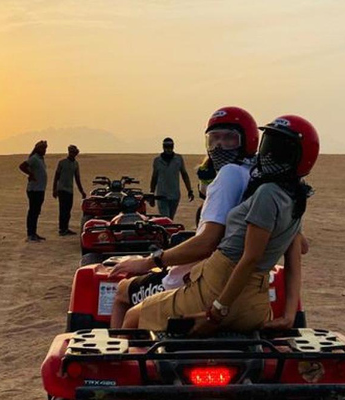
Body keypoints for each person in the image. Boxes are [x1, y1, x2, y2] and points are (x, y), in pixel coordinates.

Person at [121, 115, 319, 335]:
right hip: (255, 302)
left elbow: (248, 258)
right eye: (269, 145)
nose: (269, 154)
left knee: (133, 317)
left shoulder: (266, 192)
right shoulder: (296, 196)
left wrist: (217, 310)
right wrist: (290, 315)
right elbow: (294, 259)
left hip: (220, 286)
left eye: (278, 150)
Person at [109, 107, 260, 327]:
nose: (219, 146)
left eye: (229, 138)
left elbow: (207, 243)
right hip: (245, 285)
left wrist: (149, 261)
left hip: (199, 280)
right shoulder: (258, 178)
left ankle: (120, 357)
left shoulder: (229, 174)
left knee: (124, 294)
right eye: (214, 139)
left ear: (247, 140)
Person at [150, 137, 194, 219]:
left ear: (173, 147)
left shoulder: (178, 159)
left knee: (170, 219)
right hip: (161, 195)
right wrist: (152, 193)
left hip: (174, 195)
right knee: (165, 218)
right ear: (163, 147)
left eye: (170, 147)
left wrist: (189, 190)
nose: (168, 149)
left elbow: (184, 175)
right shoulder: (157, 161)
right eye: (166, 147)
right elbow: (154, 178)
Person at [52, 145, 87, 236]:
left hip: (70, 190)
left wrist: (81, 191)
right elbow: (56, 177)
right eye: (72, 152)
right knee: (63, 209)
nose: (73, 154)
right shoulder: (62, 162)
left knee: (68, 210)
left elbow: (77, 179)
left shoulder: (75, 164)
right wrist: (54, 189)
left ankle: (65, 228)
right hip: (62, 189)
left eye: (74, 153)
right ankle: (61, 228)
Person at [18, 140, 48, 242]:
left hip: (40, 189)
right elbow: (22, 166)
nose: (44, 150)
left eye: (45, 148)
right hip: (34, 189)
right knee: (33, 211)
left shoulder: (40, 159)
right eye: (43, 148)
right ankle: (30, 234)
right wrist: (30, 174)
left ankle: (34, 233)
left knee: (36, 212)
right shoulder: (34, 158)